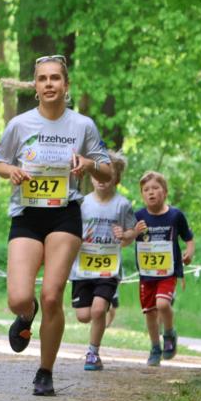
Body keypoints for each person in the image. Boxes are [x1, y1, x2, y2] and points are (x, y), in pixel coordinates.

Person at [0, 54, 111, 395]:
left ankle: (45, 371)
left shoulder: (82, 125)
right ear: (35, 86)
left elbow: (107, 170)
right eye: (42, 79)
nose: (48, 84)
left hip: (64, 213)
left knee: (52, 294)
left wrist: (88, 163)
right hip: (27, 214)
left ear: (66, 84)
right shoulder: (20, 125)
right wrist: (10, 171)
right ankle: (26, 317)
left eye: (55, 78)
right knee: (19, 297)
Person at [69, 151, 139, 371]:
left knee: (99, 310)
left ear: (116, 179)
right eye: (96, 176)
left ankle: (93, 352)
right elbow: (70, 232)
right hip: (83, 267)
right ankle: (93, 339)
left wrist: (125, 235)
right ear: (90, 176)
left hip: (109, 267)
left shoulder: (123, 205)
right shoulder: (82, 203)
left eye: (106, 176)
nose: (100, 180)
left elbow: (132, 235)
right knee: (83, 316)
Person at [133, 171, 195, 366]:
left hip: (168, 272)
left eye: (155, 188)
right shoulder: (138, 216)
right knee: (150, 312)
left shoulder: (175, 215)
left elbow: (189, 238)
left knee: (162, 305)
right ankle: (154, 348)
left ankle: (168, 334)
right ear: (142, 195)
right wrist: (133, 232)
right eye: (146, 190)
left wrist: (189, 253)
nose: (151, 193)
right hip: (147, 273)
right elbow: (126, 238)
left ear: (165, 192)